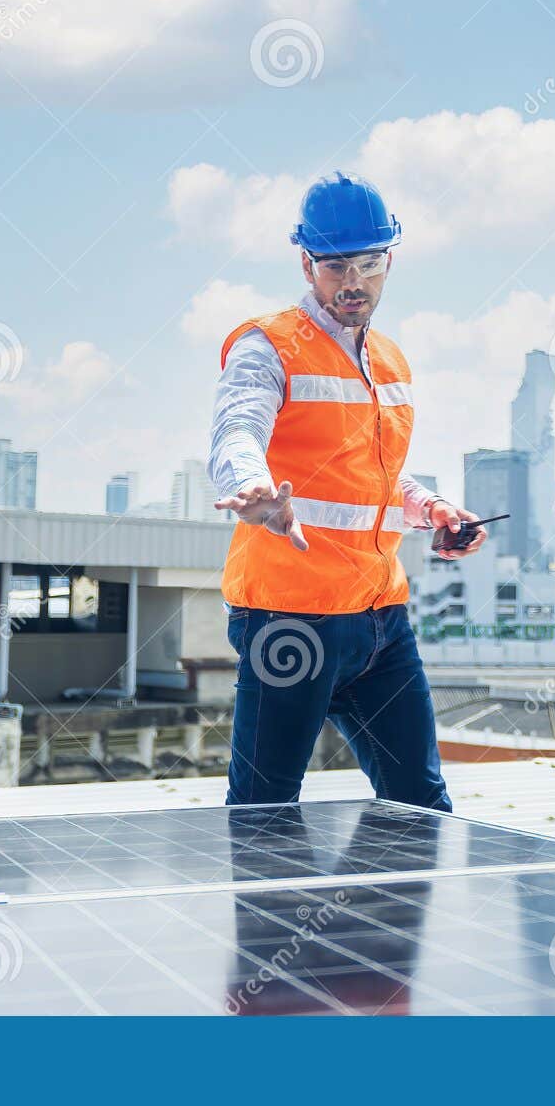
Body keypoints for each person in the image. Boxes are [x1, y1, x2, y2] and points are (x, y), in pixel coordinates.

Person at [209, 171, 489, 809]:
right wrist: (252, 485)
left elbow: (373, 476)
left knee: (421, 804)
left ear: (388, 260)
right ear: (307, 264)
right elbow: (237, 428)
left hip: (380, 621)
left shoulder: (389, 361)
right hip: (289, 618)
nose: (353, 282)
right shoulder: (268, 345)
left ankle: (381, 911)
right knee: (264, 809)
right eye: (335, 265)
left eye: (369, 263)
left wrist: (430, 509)